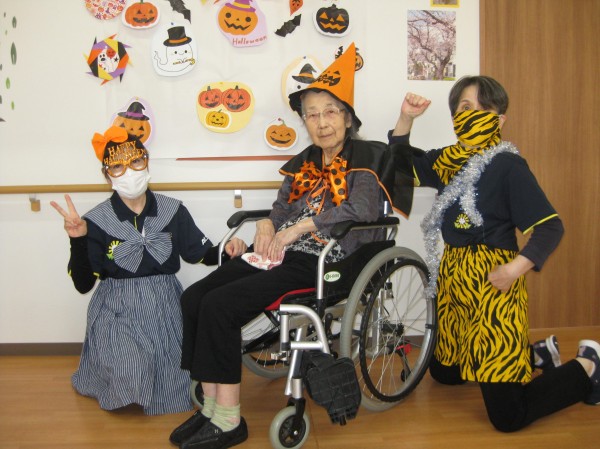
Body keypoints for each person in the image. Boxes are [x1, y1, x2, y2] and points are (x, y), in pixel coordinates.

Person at [170, 43, 407, 449]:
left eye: (330, 111)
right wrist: (267, 223)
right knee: (194, 297)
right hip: (279, 255)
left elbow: (363, 209)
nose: (321, 122)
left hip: (328, 261)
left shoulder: (367, 159)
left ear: (347, 117)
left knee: (221, 306)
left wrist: (301, 228)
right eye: (312, 114)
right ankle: (210, 407)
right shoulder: (305, 163)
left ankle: (229, 420)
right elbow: (280, 209)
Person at [388, 75, 599, 432]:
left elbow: (551, 228)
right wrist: (406, 117)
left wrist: (513, 270)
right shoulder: (447, 161)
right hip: (454, 281)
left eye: (482, 109)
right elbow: (399, 167)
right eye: (464, 107)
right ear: (455, 117)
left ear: (499, 120)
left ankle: (587, 366)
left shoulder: (508, 166)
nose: (472, 114)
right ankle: (535, 354)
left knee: (508, 416)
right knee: (444, 373)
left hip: (494, 283)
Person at [50, 126, 246, 415]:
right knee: (130, 370)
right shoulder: (95, 220)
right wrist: (78, 239)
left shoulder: (172, 210)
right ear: (107, 175)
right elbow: (82, 284)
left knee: (180, 375)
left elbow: (200, 254)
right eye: (117, 166)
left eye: (136, 161)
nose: (129, 171)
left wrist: (229, 249)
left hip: (165, 304)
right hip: (117, 308)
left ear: (147, 162)